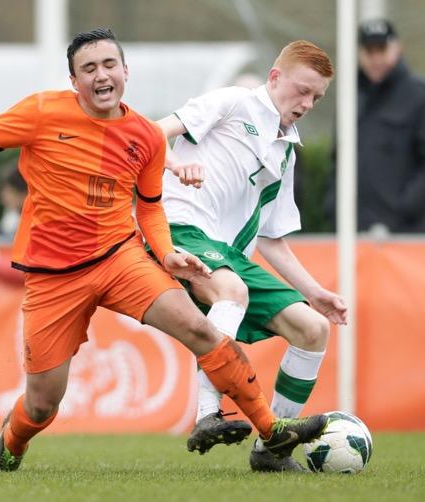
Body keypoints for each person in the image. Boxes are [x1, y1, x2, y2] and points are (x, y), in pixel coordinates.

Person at [0, 28, 329, 473]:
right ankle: (11, 441)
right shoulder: (41, 111)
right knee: (41, 405)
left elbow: (151, 209)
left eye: (109, 65)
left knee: (201, 329)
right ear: (74, 80)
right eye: (89, 68)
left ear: (125, 72)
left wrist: (167, 253)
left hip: (121, 259)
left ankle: (272, 433)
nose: (101, 75)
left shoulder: (146, 137)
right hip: (54, 277)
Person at [157, 40, 347, 472]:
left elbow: (272, 238)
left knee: (313, 329)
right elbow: (152, 132)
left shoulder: (285, 152)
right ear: (275, 77)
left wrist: (314, 291)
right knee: (232, 289)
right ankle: (206, 414)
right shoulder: (233, 102)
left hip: (228, 253)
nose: (308, 103)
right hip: (178, 227)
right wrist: (173, 166)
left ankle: (271, 450)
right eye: (302, 91)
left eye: (317, 97)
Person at [325, 19, 425, 233]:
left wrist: (400, 210)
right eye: (369, 50)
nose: (376, 58)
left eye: (382, 49)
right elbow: (337, 160)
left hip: (406, 240)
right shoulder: (351, 98)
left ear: (397, 48)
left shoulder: (424, 97)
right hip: (354, 237)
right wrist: (334, 208)